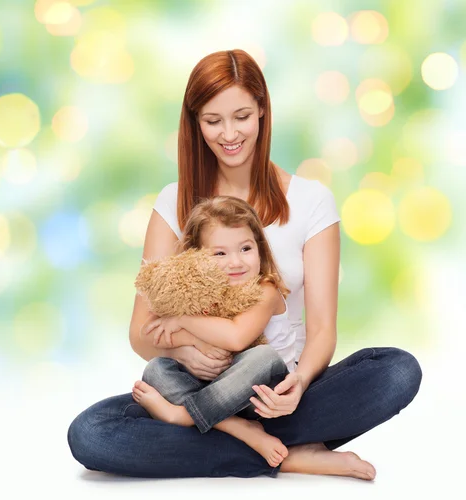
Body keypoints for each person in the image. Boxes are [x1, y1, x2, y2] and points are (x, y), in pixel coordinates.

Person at [68, 49, 422, 480]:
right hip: (198, 390)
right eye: (213, 121)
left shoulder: (311, 202)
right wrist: (183, 353)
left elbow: (323, 328)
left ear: (262, 113)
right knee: (91, 433)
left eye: (241, 117)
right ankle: (285, 454)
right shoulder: (173, 202)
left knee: (396, 370)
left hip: (280, 391)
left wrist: (301, 384)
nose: (229, 133)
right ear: (194, 124)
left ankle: (243, 438)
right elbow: (141, 333)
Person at [134, 195, 295, 467]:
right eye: (220, 253)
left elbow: (236, 338)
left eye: (245, 249)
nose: (236, 262)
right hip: (218, 396)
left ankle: (184, 417)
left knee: (263, 356)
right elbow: (155, 334)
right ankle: (234, 428)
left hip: (264, 396)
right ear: (196, 258)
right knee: (156, 370)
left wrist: (183, 321)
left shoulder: (266, 290)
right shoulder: (199, 295)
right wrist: (187, 340)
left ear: (260, 249)